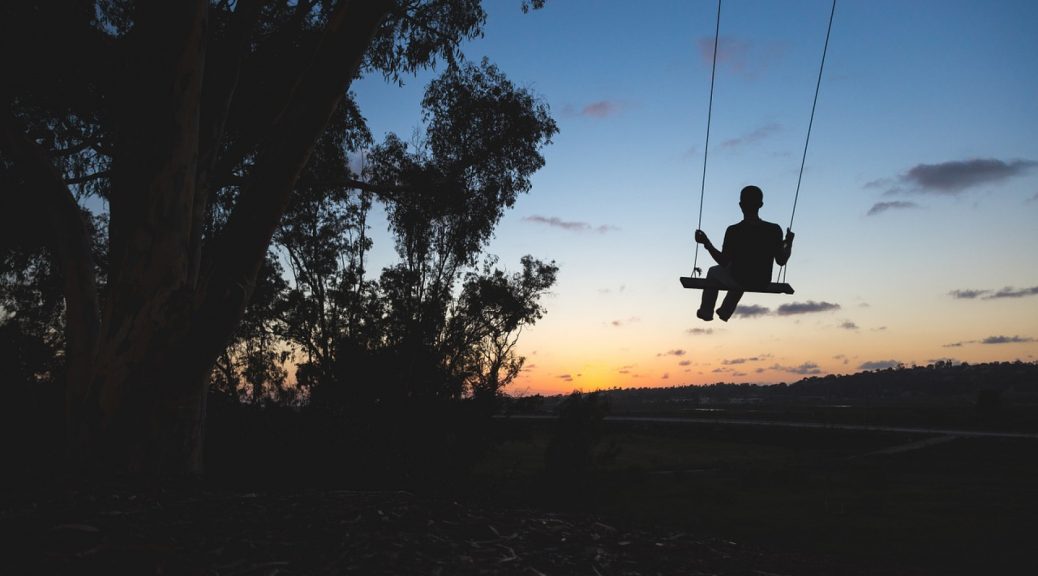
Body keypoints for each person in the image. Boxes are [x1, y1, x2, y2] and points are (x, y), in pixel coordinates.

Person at [694, 185, 794, 322]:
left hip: (741, 278)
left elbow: (723, 262)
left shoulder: (734, 231)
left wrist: (707, 243)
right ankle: (725, 311)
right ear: (761, 205)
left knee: (716, 272)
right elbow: (781, 260)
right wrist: (788, 242)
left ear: (741, 205)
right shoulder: (774, 230)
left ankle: (706, 311)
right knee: (742, 271)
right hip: (762, 280)